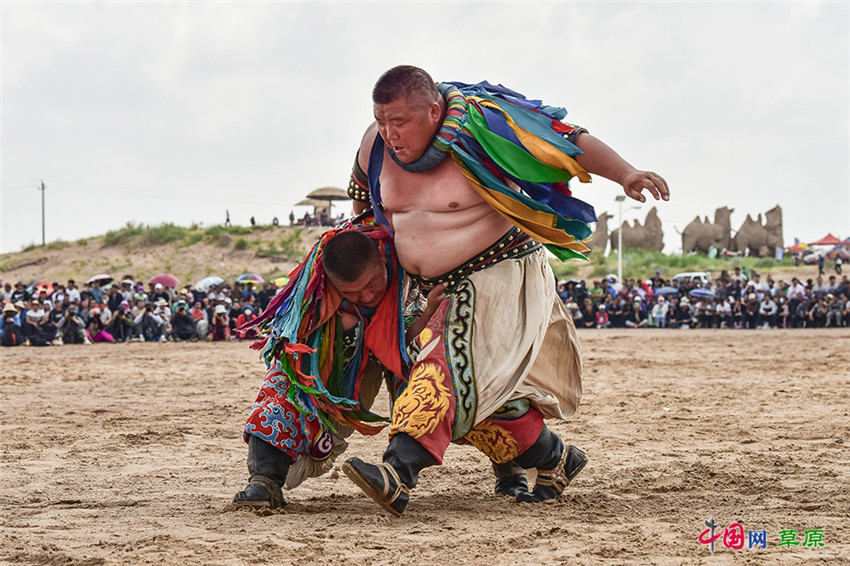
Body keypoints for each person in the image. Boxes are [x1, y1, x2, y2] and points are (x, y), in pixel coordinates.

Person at [343, 66, 668, 515]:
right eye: (382, 120)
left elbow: (565, 139)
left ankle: (400, 470)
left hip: (498, 271)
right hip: (422, 285)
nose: (389, 132)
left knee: (447, 364)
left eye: (399, 122)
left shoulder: (488, 124)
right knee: (481, 395)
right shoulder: (374, 144)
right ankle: (554, 457)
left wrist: (626, 173)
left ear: (434, 110)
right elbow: (362, 201)